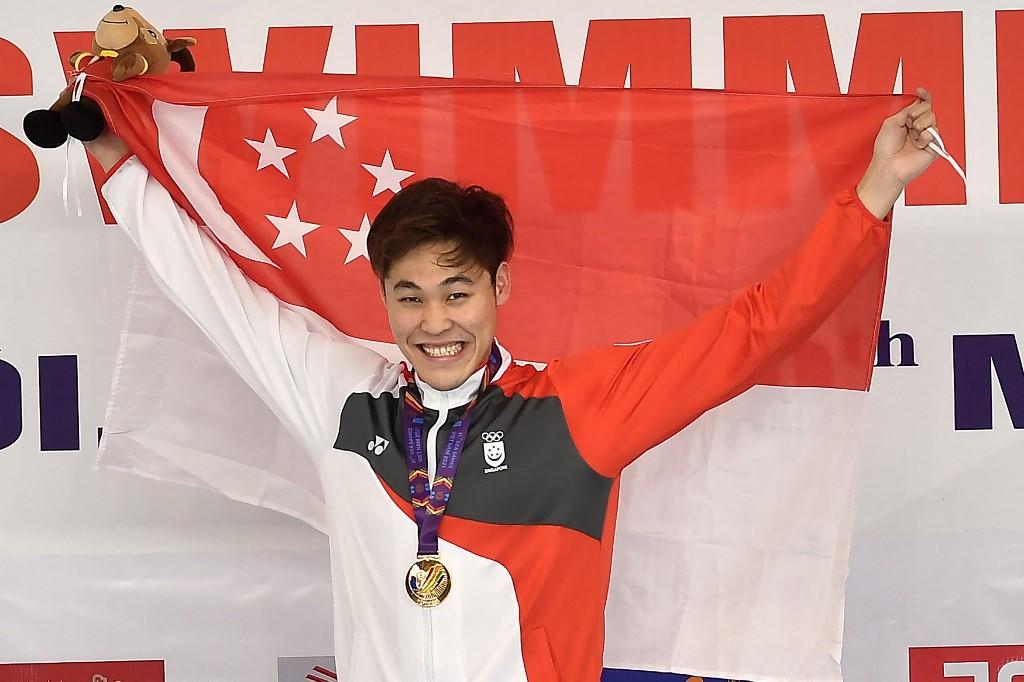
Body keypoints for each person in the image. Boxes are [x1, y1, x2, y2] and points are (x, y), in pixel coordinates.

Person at [84, 88, 939, 682]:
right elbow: (215, 291)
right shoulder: (344, 398)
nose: (435, 323)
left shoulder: (579, 408)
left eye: (457, 293)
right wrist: (115, 157)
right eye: (409, 297)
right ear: (382, 297)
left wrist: (874, 189)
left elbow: (754, 329)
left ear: (500, 288)